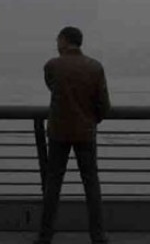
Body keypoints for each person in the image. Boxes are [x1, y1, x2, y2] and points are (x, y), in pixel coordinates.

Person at [35, 26, 112, 244]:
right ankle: (98, 236)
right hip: (85, 133)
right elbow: (104, 107)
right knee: (92, 186)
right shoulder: (95, 68)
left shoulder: (52, 66)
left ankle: (45, 236)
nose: (56, 44)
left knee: (52, 186)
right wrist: (90, 119)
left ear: (64, 40)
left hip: (58, 133)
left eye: (57, 40)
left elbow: (53, 88)